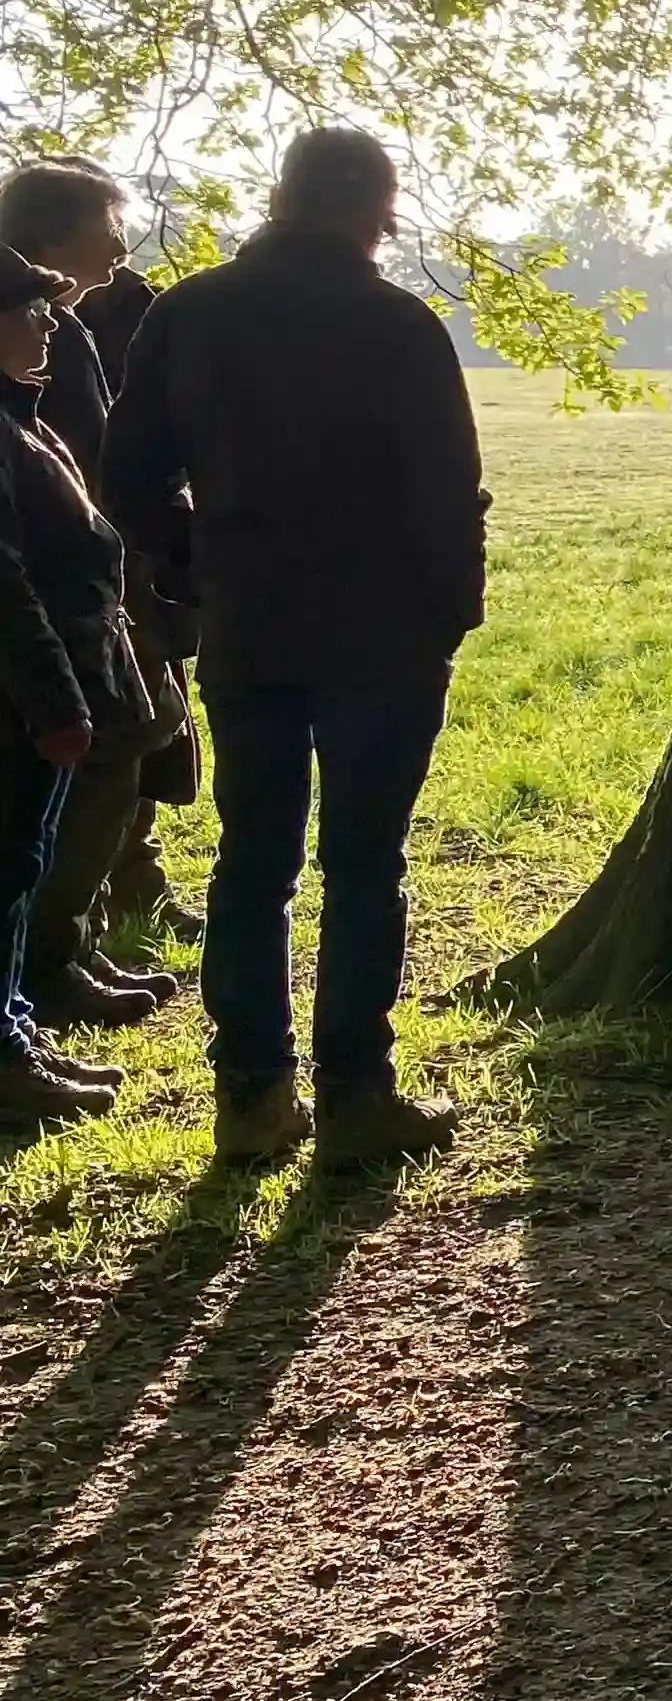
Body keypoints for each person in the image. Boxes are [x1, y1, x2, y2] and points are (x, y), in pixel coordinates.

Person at [104, 126, 484, 1168]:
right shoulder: (396, 325)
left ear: (283, 197)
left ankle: (252, 1098)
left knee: (251, 861)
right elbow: (447, 492)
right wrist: (451, 614)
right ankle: (357, 1096)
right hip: (384, 632)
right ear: (376, 209)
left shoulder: (190, 313)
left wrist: (190, 565)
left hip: (249, 622)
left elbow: (126, 471)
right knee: (364, 865)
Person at [0, 158, 187, 1016]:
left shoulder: (77, 322)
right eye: (105, 225)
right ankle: (45, 969)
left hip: (97, 595)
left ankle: (70, 942)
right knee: (96, 762)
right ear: (51, 233)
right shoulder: (38, 324)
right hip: (59, 612)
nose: (120, 244)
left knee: (132, 751)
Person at [0, 254, 155, 1125]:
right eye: (30, 308)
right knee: (7, 869)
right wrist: (55, 705)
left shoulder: (19, 415)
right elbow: (8, 590)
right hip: (19, 710)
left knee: (20, 870)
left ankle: (16, 1027)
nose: (50, 324)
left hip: (40, 700)